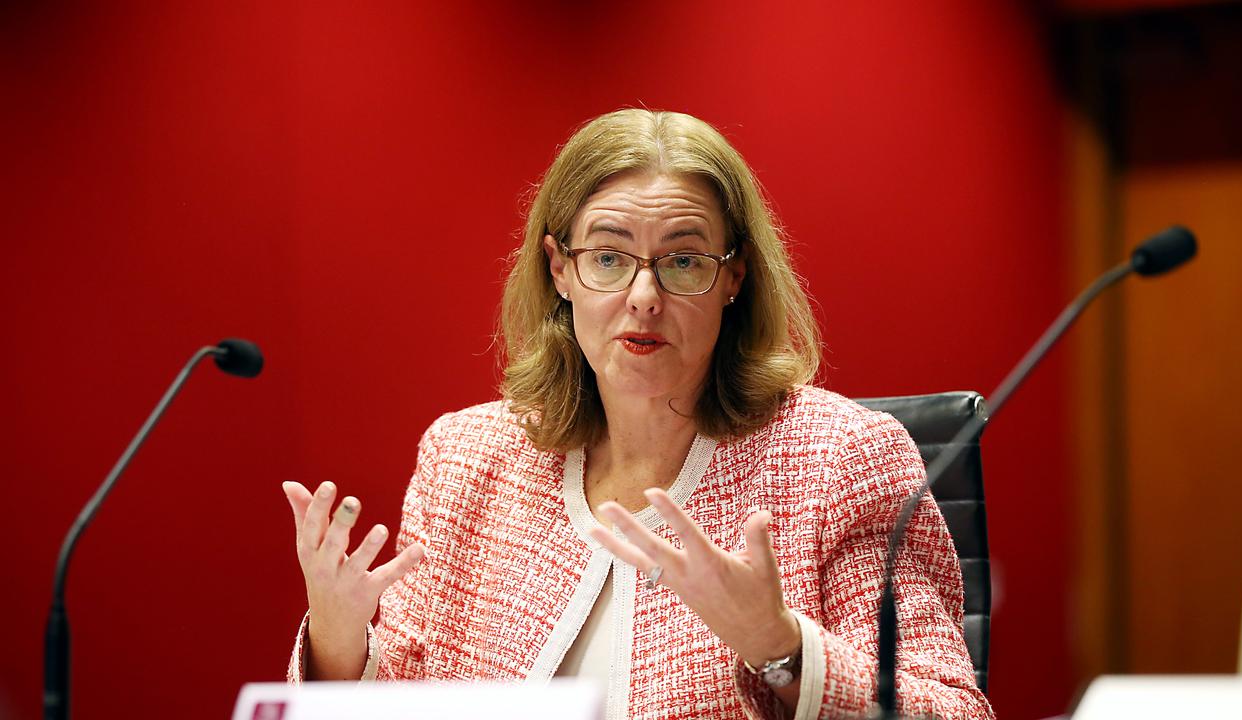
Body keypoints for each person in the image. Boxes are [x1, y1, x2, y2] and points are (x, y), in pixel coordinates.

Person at [282, 109, 994, 719]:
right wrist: (341, 647)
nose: (644, 296)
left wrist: (781, 645)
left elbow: (949, 709)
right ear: (559, 269)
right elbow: (407, 700)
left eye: (683, 262)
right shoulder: (468, 458)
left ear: (734, 276)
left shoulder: (839, 458)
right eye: (609, 258)